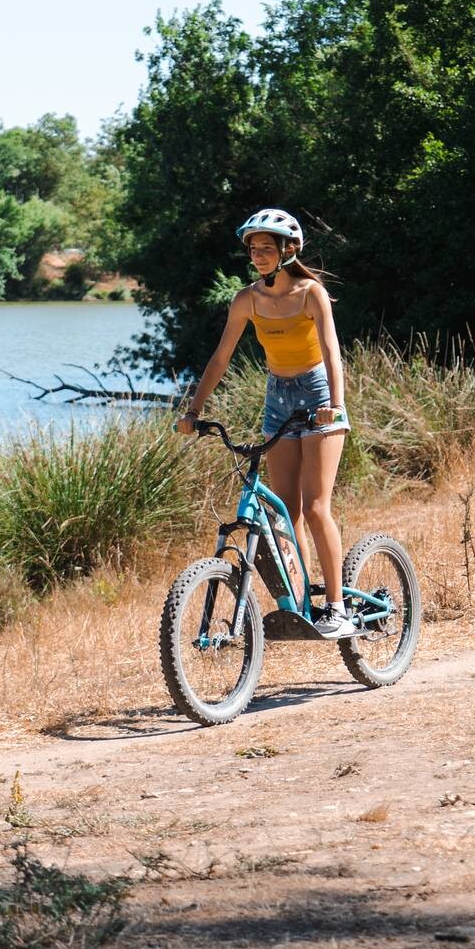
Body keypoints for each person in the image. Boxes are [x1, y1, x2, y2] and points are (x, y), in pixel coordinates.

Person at [176, 208, 355, 638]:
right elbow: (221, 357)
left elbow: (331, 351)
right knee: (285, 512)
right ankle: (302, 604)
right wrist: (193, 411)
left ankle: (338, 607)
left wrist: (336, 404)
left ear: (288, 250)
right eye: (253, 249)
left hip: (318, 395)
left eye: (265, 248)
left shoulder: (311, 293)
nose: (257, 256)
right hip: (277, 397)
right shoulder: (247, 299)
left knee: (315, 507)